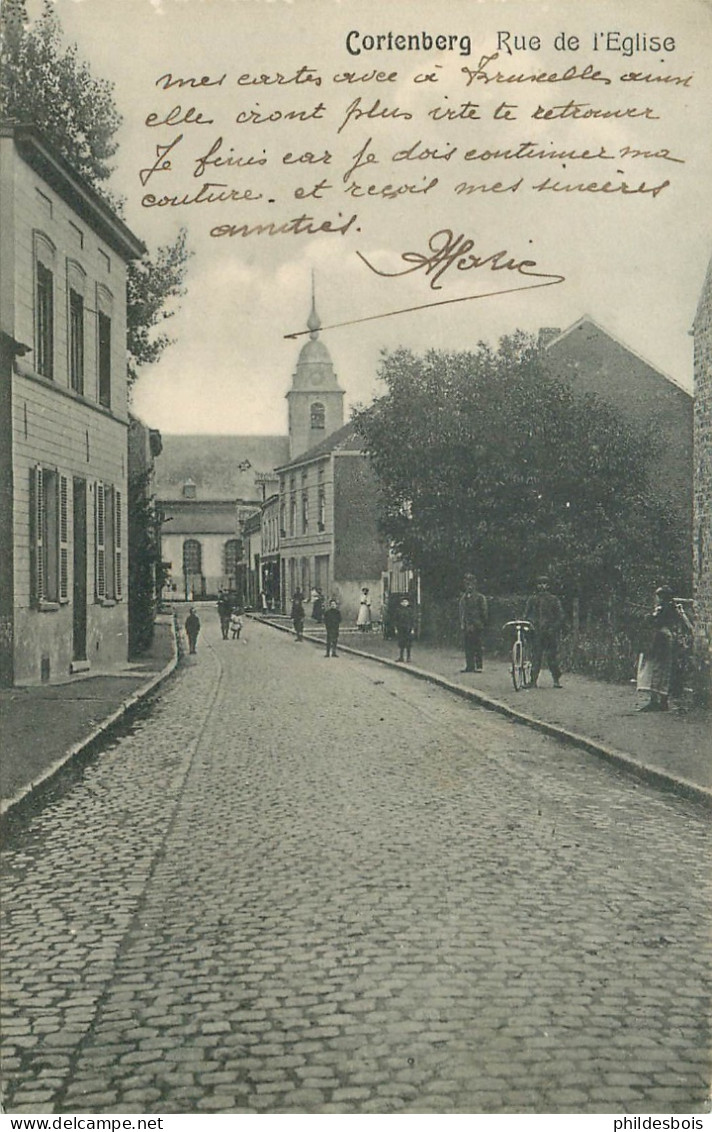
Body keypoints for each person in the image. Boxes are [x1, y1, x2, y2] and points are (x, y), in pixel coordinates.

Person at [636, 586, 693, 711]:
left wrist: (650, 617)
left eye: (659, 596)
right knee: (661, 669)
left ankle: (656, 701)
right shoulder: (670, 608)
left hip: (661, 639)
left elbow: (658, 622)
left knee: (658, 668)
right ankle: (661, 700)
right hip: (663, 638)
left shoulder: (666, 609)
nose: (657, 598)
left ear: (662, 597)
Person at [523, 575, 565, 688]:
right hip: (536, 633)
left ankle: (556, 680)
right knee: (535, 657)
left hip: (549, 632)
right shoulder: (532, 600)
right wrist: (529, 625)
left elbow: (560, 616)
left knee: (552, 658)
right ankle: (533, 681)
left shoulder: (553, 600)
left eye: (544, 584)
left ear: (548, 586)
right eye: (540, 584)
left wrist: (553, 628)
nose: (542, 586)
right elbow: (526, 615)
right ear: (536, 586)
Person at [458, 574, 488, 672]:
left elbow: (484, 612)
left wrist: (480, 623)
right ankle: (469, 666)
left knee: (477, 646)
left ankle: (479, 666)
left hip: (477, 625)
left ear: (475, 585)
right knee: (468, 646)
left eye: (471, 584)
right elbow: (462, 611)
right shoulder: (463, 598)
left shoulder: (480, 597)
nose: (469, 586)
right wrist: (463, 623)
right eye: (467, 584)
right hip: (467, 625)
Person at [394, 597, 415, 663]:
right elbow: (396, 620)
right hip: (401, 628)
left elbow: (413, 620)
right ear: (401, 603)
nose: (405, 603)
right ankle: (401, 657)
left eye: (406, 602)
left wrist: (412, 629)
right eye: (403, 602)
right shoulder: (398, 610)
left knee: (408, 643)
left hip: (408, 628)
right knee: (401, 643)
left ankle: (408, 657)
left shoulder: (410, 611)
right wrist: (396, 628)